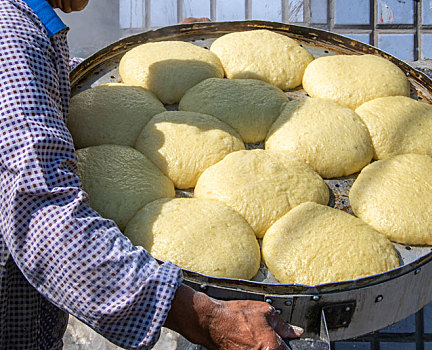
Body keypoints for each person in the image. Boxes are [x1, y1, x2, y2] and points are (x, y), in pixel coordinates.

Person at [0, 0, 303, 348]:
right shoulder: (12, 37)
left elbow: (40, 92)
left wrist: (159, 58)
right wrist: (205, 317)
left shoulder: (29, 28)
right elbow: (43, 218)